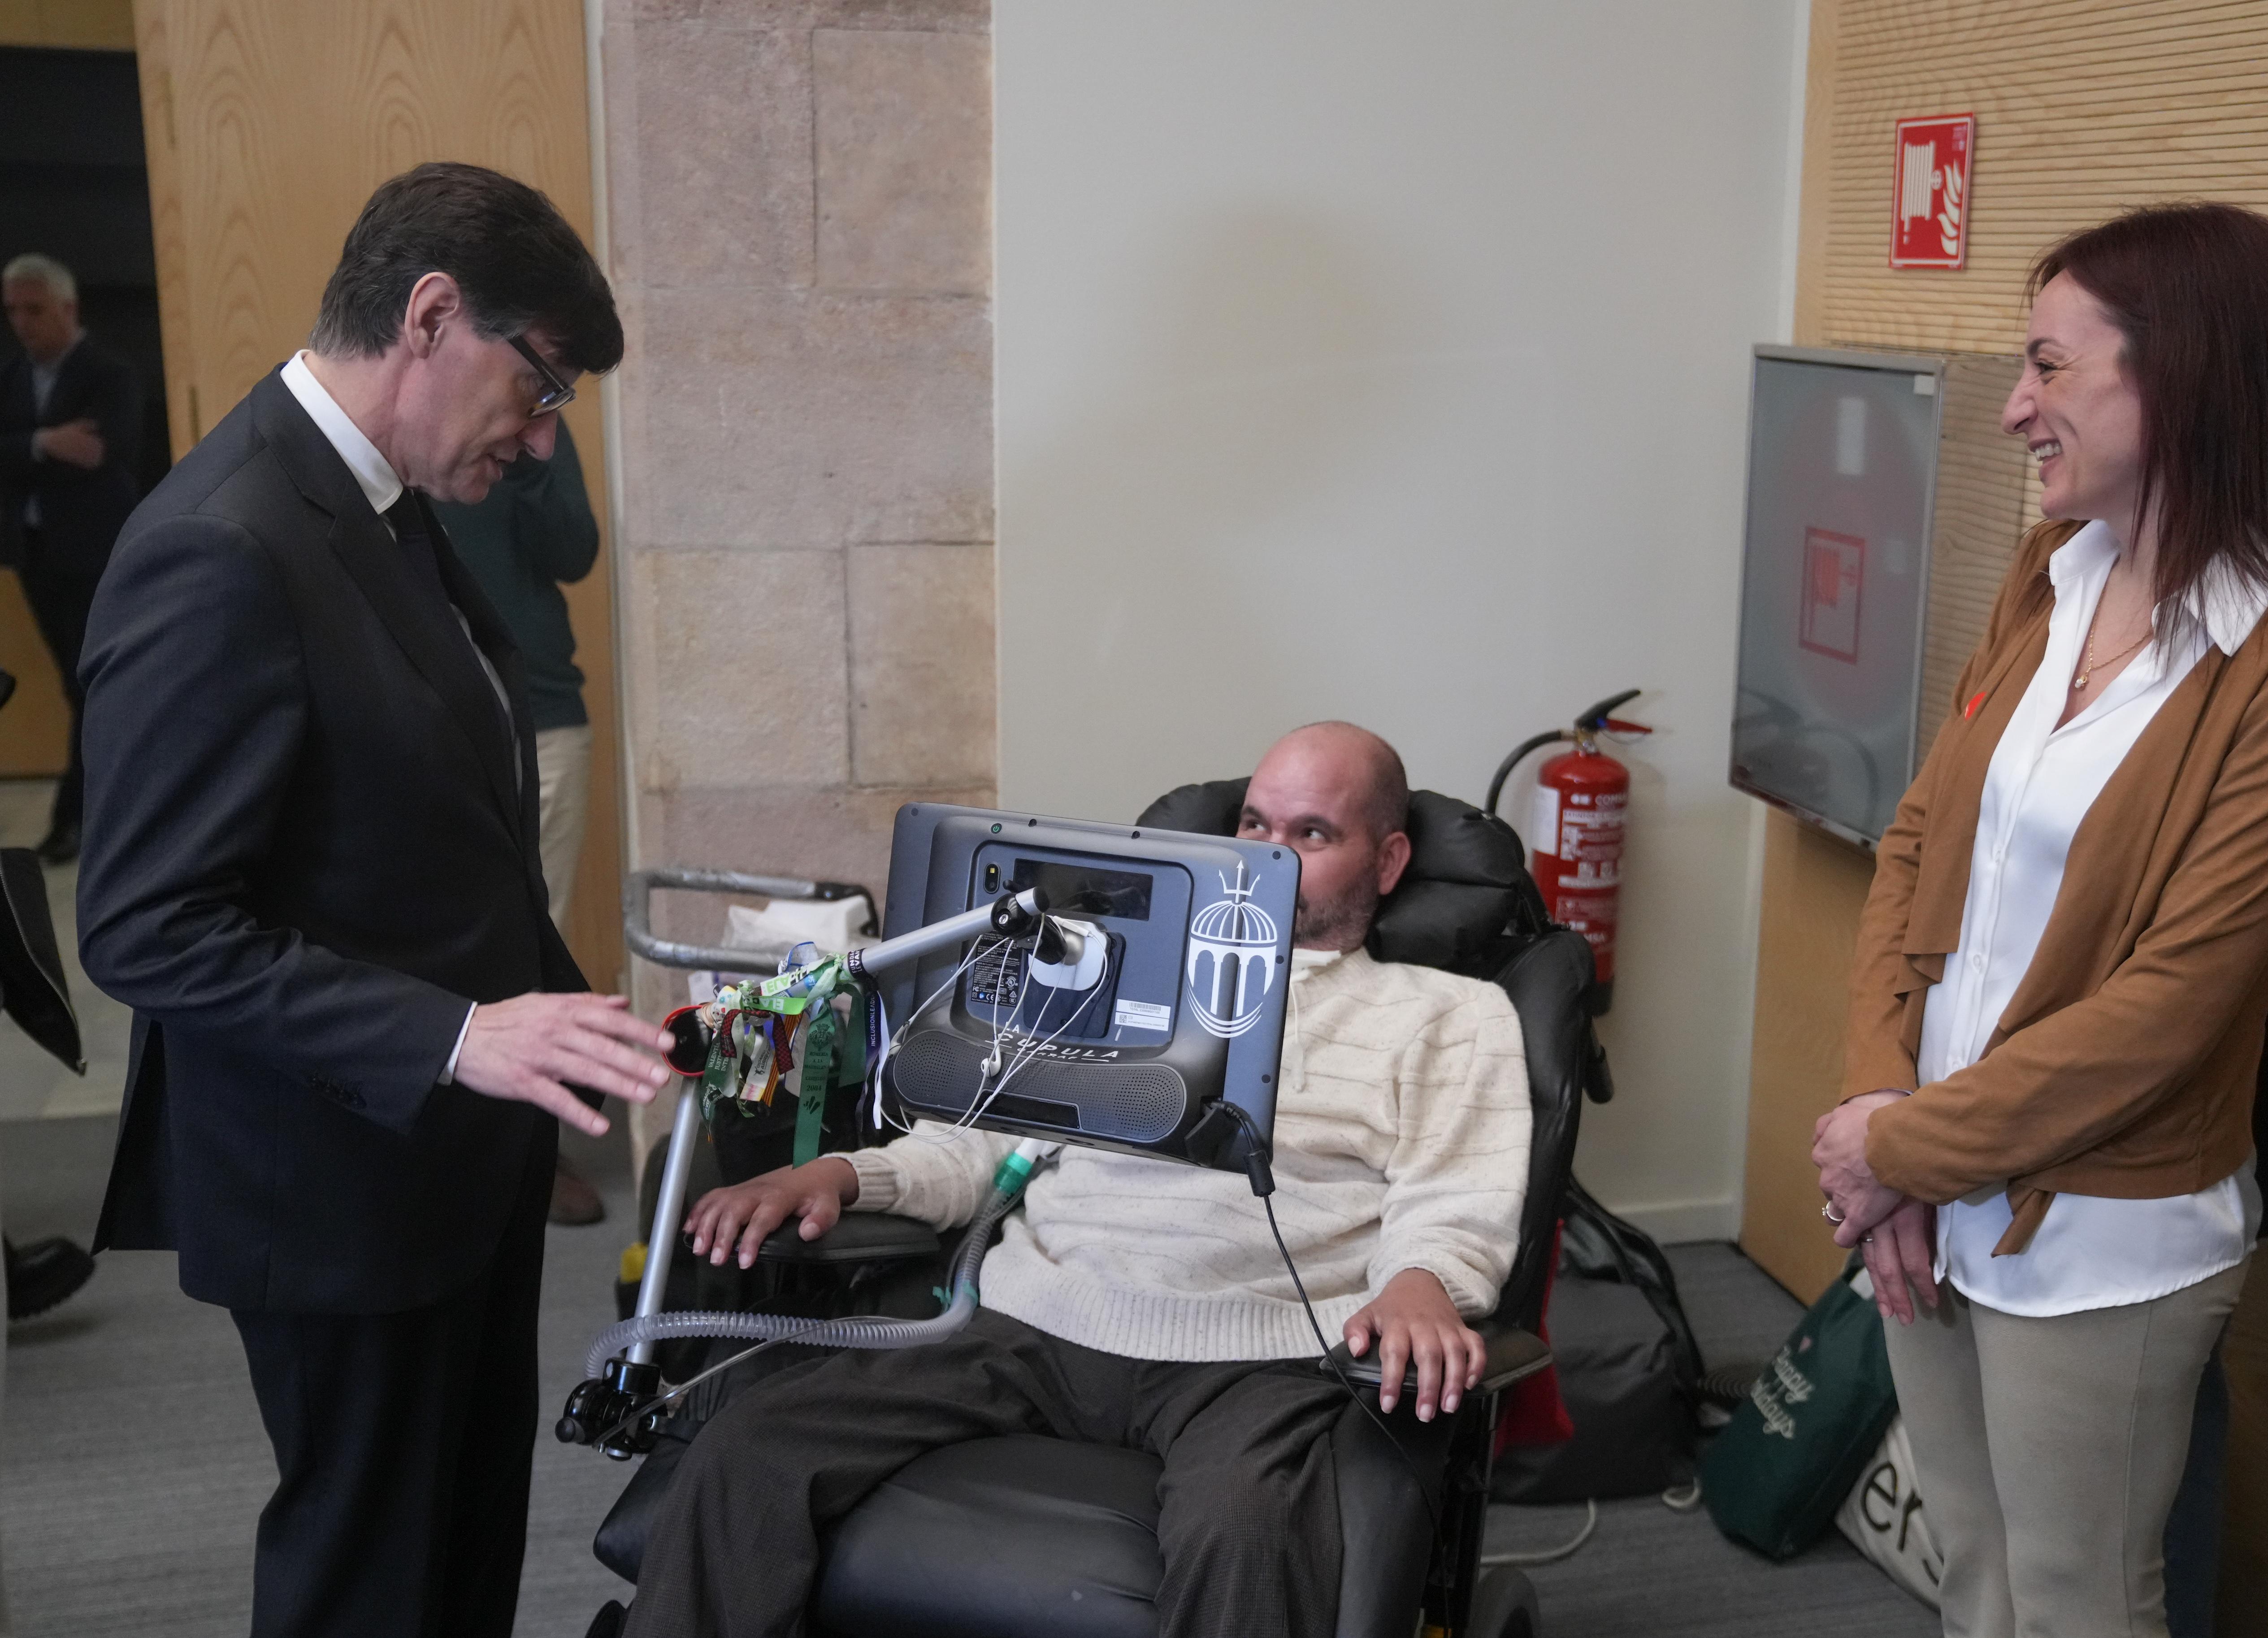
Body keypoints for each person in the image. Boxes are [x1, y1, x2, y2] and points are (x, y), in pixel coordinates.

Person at [76, 163, 674, 1638]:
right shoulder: (219, 543)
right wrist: (463, 1039)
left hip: (444, 1166)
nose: (540, 445)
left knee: (457, 1559)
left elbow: (442, 835)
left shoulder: (384, 502)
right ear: (430, 316)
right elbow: (147, 925)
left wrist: (593, 1021)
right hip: (331, 1178)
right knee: (367, 1582)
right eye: (538, 392)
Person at [622, 721, 1534, 1638]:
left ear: (1388, 861)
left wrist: (1424, 1282)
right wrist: (837, 1175)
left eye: (1310, 835)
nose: (1267, 858)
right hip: (1031, 1314)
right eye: (1253, 827)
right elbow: (982, 1143)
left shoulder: (1449, 1017)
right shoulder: (1114, 968)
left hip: (1256, 1354)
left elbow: (1454, 1198)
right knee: (750, 1447)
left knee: (1247, 1535)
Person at [1810, 202, 2268, 1638]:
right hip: (1931, 1184)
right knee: (1975, 1569)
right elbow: (1922, 846)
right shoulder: (2050, 575)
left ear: (2178, 375)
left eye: (2050, 367)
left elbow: (2180, 1000)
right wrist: (1883, 1102)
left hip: (2106, 1227)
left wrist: (1897, 1150)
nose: (2015, 407)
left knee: (2078, 1598)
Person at [432, 417, 608, 1226]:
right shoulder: (399, 405)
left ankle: (525, 1153)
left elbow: (573, 550)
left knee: (534, 937)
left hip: (539, 709)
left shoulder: (533, 413)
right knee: (431, 938)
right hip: (424, 712)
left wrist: (533, 451)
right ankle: (450, 1150)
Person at [0, 252, 143, 863]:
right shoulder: (11, 376)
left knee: (97, 686)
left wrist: (24, 450)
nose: (23, 323)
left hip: (95, 553)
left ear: (68, 308)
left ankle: (80, 819)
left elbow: (106, 452)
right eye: (13, 312)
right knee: (73, 685)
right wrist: (44, 442)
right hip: (35, 554)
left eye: (34, 310)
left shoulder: (109, 372)